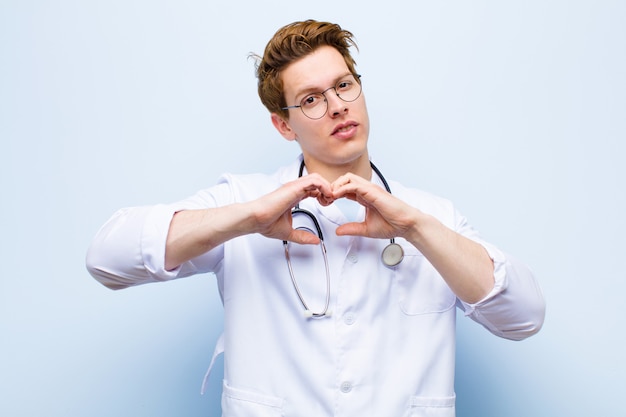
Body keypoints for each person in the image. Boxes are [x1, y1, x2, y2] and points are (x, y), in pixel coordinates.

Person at [86, 20, 545, 417]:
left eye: (344, 85)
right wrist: (248, 218)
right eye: (310, 99)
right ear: (284, 125)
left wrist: (415, 229)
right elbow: (108, 259)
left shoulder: (432, 216)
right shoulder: (245, 201)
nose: (338, 106)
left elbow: (523, 317)